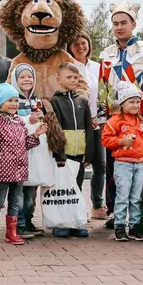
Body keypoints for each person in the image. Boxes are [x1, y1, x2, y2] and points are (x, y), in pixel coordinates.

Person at [98, 2, 143, 229]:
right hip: (116, 123)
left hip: (140, 121)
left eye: (123, 23)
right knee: (114, 169)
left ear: (133, 24)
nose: (119, 27)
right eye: (115, 23)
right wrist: (102, 115)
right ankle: (115, 212)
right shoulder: (106, 54)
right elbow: (103, 87)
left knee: (142, 168)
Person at [0, 83, 46, 245]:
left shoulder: (19, 122)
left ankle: (12, 232)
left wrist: (36, 135)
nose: (14, 104)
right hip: (2, 169)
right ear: (1, 102)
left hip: (19, 170)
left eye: (16, 100)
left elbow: (25, 144)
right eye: (9, 100)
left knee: (15, 202)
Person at [101, 83, 143, 242]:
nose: (136, 105)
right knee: (123, 195)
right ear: (122, 103)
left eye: (138, 102)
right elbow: (106, 139)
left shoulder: (141, 120)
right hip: (123, 163)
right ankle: (120, 225)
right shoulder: (114, 121)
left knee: (136, 196)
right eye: (132, 102)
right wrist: (121, 141)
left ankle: (135, 225)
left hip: (140, 163)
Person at [50, 63, 94, 238]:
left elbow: (89, 128)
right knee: (63, 188)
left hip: (79, 153)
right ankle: (61, 222)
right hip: (64, 155)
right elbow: (56, 129)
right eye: (69, 77)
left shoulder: (83, 100)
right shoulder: (55, 101)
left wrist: (89, 152)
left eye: (76, 77)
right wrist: (59, 153)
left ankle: (76, 222)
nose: (73, 80)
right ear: (59, 80)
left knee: (77, 187)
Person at [68, 33, 106, 220]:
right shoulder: (68, 67)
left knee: (100, 164)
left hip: (97, 122)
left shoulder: (98, 68)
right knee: (79, 165)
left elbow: (104, 94)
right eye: (76, 43)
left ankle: (97, 204)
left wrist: (99, 116)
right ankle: (76, 204)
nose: (80, 46)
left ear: (89, 45)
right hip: (77, 124)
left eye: (83, 43)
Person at [9, 63, 49, 239]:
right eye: (22, 77)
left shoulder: (36, 100)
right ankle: (19, 224)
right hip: (19, 152)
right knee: (20, 191)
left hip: (35, 150)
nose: (26, 80)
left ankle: (29, 220)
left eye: (30, 77)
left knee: (31, 190)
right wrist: (28, 119)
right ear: (15, 80)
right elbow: (10, 122)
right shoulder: (12, 100)